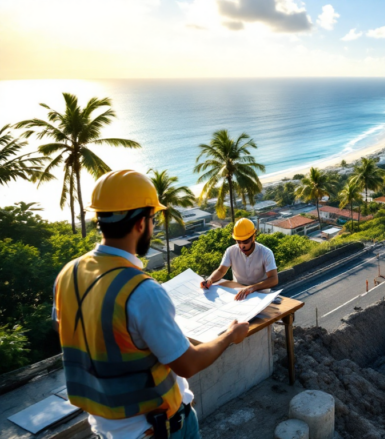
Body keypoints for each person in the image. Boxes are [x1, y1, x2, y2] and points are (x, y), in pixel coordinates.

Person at [53, 170, 250, 439]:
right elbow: (188, 364)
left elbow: (70, 332)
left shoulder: (68, 274)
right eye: (153, 219)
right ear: (140, 224)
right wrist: (230, 335)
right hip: (158, 428)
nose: (154, 226)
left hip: (104, 428)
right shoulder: (141, 291)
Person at [200, 218, 278, 300]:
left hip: (261, 294)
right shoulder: (231, 251)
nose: (242, 246)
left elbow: (274, 279)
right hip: (238, 293)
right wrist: (210, 279)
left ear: (253, 237)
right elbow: (221, 271)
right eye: (238, 242)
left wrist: (252, 288)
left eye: (245, 241)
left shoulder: (266, 253)